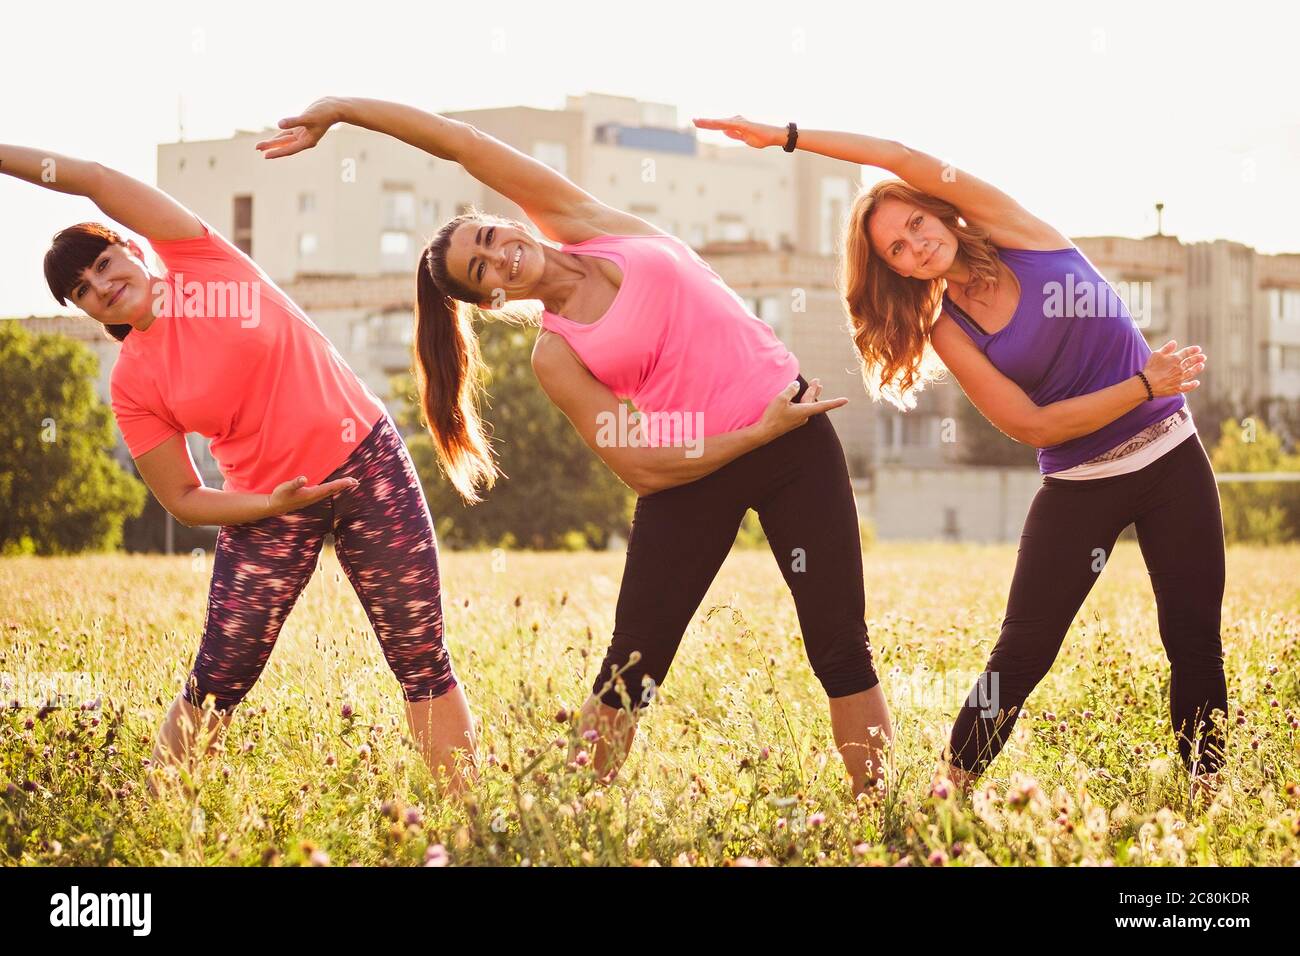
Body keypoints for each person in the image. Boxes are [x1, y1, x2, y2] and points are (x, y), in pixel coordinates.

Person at [259, 97, 894, 795]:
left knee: (841, 645)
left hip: (795, 438)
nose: (502, 255)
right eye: (484, 270)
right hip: (692, 478)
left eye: (492, 236)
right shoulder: (555, 356)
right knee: (632, 671)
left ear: (506, 220)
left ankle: (877, 816)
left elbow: (458, 141)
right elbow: (639, 463)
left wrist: (344, 111)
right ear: (493, 300)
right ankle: (565, 817)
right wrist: (752, 432)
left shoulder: (593, 225)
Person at [693, 115, 1224, 799]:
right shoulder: (947, 327)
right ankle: (950, 793)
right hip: (1080, 482)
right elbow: (1031, 425)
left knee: (1192, 637)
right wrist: (1144, 386)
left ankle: (1209, 792)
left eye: (915, 225)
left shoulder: (1015, 228)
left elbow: (897, 153)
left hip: (1172, 457)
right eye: (896, 251)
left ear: (934, 208)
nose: (915, 246)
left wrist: (789, 137)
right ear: (892, 270)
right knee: (1022, 653)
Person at [0, 141, 477, 796]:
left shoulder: (201, 260)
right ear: (83, 309)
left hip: (366, 460)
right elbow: (184, 498)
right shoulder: (133, 382)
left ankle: (475, 818)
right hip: (266, 505)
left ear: (132, 249)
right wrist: (269, 505)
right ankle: (159, 815)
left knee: (421, 656)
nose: (103, 286)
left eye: (104, 264)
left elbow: (94, 177)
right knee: (219, 674)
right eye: (82, 291)